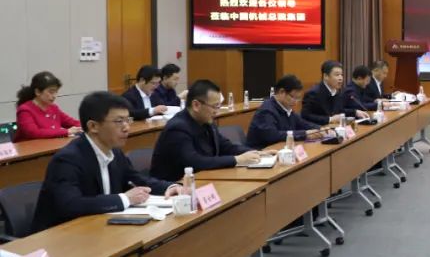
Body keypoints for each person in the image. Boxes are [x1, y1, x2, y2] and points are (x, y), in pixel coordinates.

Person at [31, 92, 181, 233]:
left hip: (99, 227)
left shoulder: (114, 151)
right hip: (63, 236)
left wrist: (171, 187)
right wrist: (124, 199)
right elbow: (71, 204)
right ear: (93, 126)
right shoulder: (68, 160)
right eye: (119, 121)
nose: (127, 127)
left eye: (127, 120)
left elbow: (137, 179)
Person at [150, 79, 261, 181]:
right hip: (173, 188)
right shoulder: (177, 128)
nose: (217, 112)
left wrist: (256, 153)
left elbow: (226, 146)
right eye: (215, 106)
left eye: (219, 106)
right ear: (196, 105)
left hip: (202, 179)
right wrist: (237, 159)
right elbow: (194, 162)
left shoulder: (207, 121)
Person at [247, 74, 321, 148]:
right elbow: (272, 135)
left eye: (298, 98)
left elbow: (302, 123)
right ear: (281, 92)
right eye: (293, 97)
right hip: (262, 151)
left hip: (280, 149)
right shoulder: (266, 111)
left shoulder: (286, 108)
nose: (296, 102)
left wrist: (320, 129)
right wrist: (304, 134)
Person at [14, 71, 81, 141]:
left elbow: (72, 122)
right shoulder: (25, 110)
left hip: (52, 146)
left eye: (56, 92)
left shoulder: (54, 108)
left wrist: (85, 126)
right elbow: (33, 133)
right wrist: (66, 132)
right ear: (37, 92)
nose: (54, 96)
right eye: (51, 92)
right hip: (31, 147)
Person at [301, 60, 346, 126]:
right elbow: (305, 116)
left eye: (341, 75)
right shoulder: (313, 93)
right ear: (325, 76)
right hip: (317, 129)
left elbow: (340, 111)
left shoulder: (338, 93)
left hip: (335, 128)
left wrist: (354, 112)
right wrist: (329, 119)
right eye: (337, 75)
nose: (341, 78)